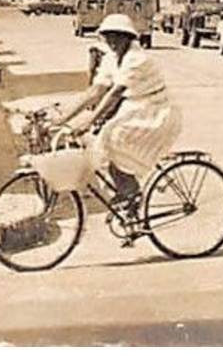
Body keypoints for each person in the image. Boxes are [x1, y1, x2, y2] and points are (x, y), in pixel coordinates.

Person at [55, 13, 181, 218]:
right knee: (103, 144)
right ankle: (129, 195)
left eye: (118, 36)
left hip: (155, 110)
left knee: (110, 138)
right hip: (135, 108)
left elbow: (114, 93)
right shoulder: (111, 59)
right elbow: (96, 91)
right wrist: (63, 118)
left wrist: (89, 120)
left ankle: (132, 193)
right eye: (108, 36)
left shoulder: (136, 59)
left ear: (128, 38)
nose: (113, 41)